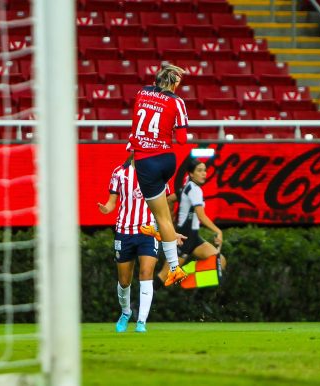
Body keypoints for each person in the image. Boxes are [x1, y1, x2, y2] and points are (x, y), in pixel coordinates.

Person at [127, 63, 188, 286]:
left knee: (162, 217)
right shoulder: (177, 102)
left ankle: (174, 268)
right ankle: (154, 225)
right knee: (162, 208)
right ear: (174, 82)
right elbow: (181, 139)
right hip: (166, 159)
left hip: (146, 159)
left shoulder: (142, 92)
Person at [97, 154, 165, 333]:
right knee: (124, 281)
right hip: (124, 232)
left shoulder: (157, 173)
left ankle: (141, 321)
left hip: (147, 231)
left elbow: (163, 207)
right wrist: (106, 209)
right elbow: (112, 203)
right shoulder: (119, 173)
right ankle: (125, 313)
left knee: (146, 273)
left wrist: (170, 230)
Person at [157, 158, 227, 288]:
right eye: (199, 171)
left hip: (193, 238)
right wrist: (218, 231)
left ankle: (184, 276)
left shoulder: (187, 187)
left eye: (205, 170)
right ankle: (137, 304)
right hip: (183, 238)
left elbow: (169, 200)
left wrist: (171, 219)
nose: (204, 173)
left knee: (220, 261)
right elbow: (201, 215)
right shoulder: (194, 189)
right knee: (164, 276)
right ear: (191, 174)